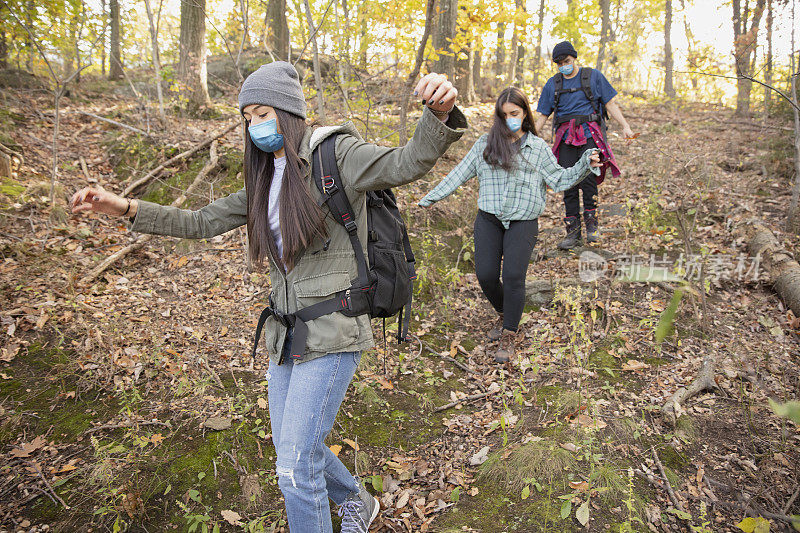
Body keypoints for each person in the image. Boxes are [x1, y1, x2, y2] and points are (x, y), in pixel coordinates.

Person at [70, 61, 466, 533]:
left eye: (262, 113)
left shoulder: (336, 155)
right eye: (247, 117)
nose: (255, 125)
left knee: (295, 469)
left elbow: (405, 163)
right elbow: (200, 222)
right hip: (286, 335)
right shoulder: (264, 181)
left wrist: (438, 113)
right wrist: (124, 207)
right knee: (294, 449)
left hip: (335, 329)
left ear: (288, 112)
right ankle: (357, 499)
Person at [419, 87, 601, 363]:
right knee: (486, 275)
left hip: (523, 221)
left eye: (514, 114)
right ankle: (507, 312)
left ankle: (509, 332)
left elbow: (561, 180)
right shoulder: (485, 144)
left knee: (515, 277)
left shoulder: (538, 149)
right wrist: (431, 197)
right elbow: (459, 173)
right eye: (504, 116)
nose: (510, 120)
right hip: (489, 219)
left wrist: (586, 163)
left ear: (525, 113)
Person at [534, 40, 633, 250]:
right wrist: (529, 138)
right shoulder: (553, 84)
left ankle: (592, 226)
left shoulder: (593, 77)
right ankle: (573, 232)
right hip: (565, 138)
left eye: (567, 61)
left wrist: (625, 126)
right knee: (568, 183)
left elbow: (610, 104)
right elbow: (542, 115)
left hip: (590, 135)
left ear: (574, 58)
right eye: (559, 63)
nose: (564, 66)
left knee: (589, 180)